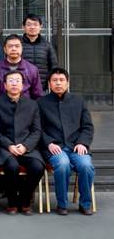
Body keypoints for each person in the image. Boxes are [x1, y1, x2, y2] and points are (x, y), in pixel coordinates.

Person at [39, 68, 95, 216]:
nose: (58, 83)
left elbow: (88, 127)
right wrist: (49, 143)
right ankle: (62, 204)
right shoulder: (41, 103)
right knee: (62, 164)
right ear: (49, 84)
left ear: (68, 83)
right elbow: (38, 129)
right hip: (54, 147)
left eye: (61, 80)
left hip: (76, 146)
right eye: (54, 80)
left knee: (86, 165)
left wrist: (82, 142)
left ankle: (85, 204)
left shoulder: (79, 101)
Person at [0, 71, 44, 215]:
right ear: (5, 85)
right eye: (11, 81)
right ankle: (12, 202)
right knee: (11, 166)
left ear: (23, 85)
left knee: (37, 167)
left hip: (27, 147)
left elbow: (36, 130)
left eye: (17, 81)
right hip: (5, 147)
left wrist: (26, 146)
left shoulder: (32, 104)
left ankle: (25, 200)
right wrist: (8, 145)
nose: (14, 84)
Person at [0, 35, 43, 99]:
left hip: (26, 104)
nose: (14, 49)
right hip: (1, 104)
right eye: (10, 46)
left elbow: (38, 95)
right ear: (5, 49)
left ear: (22, 48)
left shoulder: (32, 69)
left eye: (17, 46)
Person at [21, 14, 59, 91]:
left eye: (35, 24)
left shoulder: (47, 45)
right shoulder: (18, 45)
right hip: (22, 88)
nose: (32, 27)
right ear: (23, 27)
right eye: (29, 24)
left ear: (40, 27)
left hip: (42, 88)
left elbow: (54, 67)